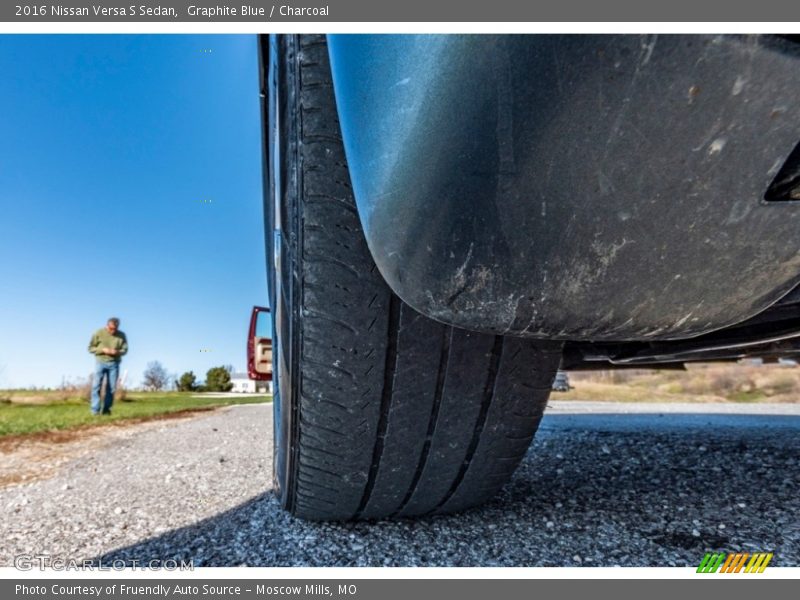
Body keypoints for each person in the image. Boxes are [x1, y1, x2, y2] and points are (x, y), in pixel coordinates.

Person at [87, 317, 128, 415]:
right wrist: (102, 350)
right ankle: (95, 411)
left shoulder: (122, 335)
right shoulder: (98, 333)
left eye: (115, 329)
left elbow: (125, 350)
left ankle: (106, 410)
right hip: (100, 362)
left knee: (112, 388)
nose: (113, 331)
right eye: (111, 329)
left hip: (114, 364)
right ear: (107, 326)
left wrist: (117, 352)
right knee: (97, 386)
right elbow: (90, 348)